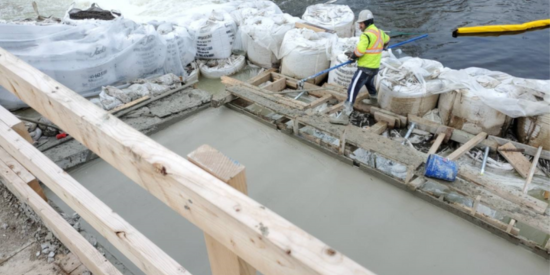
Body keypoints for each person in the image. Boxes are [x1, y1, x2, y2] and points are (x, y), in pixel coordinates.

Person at [330, 10, 390, 125]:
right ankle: (373, 100)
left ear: (366, 23)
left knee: (353, 88)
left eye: (361, 23)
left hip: (365, 67)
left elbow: (360, 51)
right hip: (374, 67)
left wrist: (352, 57)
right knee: (369, 82)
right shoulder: (380, 32)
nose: (359, 26)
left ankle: (345, 115)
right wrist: (384, 46)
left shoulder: (366, 35)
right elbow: (388, 39)